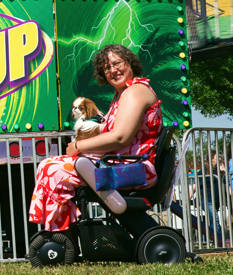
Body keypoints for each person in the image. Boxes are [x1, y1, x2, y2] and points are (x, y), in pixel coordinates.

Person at [29, 44, 162, 231]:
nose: (113, 70)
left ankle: (61, 231)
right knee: (48, 165)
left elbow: (120, 137)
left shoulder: (135, 92)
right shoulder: (122, 94)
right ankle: (61, 230)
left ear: (130, 63)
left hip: (135, 170)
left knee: (54, 169)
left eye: (117, 63)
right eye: (107, 68)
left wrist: (78, 146)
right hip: (121, 164)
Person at [190, 152, 223, 242]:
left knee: (211, 220)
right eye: (218, 156)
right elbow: (196, 185)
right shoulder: (204, 171)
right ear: (212, 158)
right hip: (207, 199)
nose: (220, 157)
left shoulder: (218, 171)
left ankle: (206, 238)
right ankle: (218, 240)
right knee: (215, 219)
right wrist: (188, 197)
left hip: (216, 200)